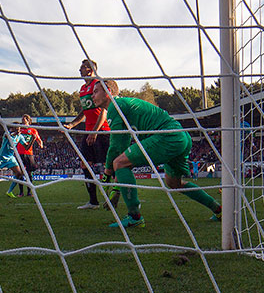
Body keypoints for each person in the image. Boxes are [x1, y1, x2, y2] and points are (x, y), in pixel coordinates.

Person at [92, 80, 222, 228]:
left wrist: (108, 173)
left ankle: (135, 217)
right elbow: (122, 145)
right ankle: (218, 209)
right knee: (174, 183)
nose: (92, 96)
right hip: (182, 137)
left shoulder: (115, 107)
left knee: (119, 163)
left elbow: (116, 147)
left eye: (96, 91)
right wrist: (117, 186)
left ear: (108, 91)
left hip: (167, 136)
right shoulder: (124, 104)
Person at [64, 59, 115, 210]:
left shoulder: (98, 84)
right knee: (85, 164)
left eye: (83, 67)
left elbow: (105, 109)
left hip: (102, 131)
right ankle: (93, 201)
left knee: (111, 165)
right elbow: (85, 112)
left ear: (91, 69)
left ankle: (118, 195)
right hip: (89, 132)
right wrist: (72, 124)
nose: (80, 69)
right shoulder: (82, 89)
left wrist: (95, 131)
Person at [15, 114, 43, 197]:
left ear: (28, 120)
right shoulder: (19, 130)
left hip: (29, 154)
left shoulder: (33, 130)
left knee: (29, 173)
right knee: (20, 173)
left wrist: (40, 144)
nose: (23, 121)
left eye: (25, 120)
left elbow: (39, 139)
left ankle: (29, 192)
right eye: (22, 120)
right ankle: (21, 192)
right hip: (19, 153)